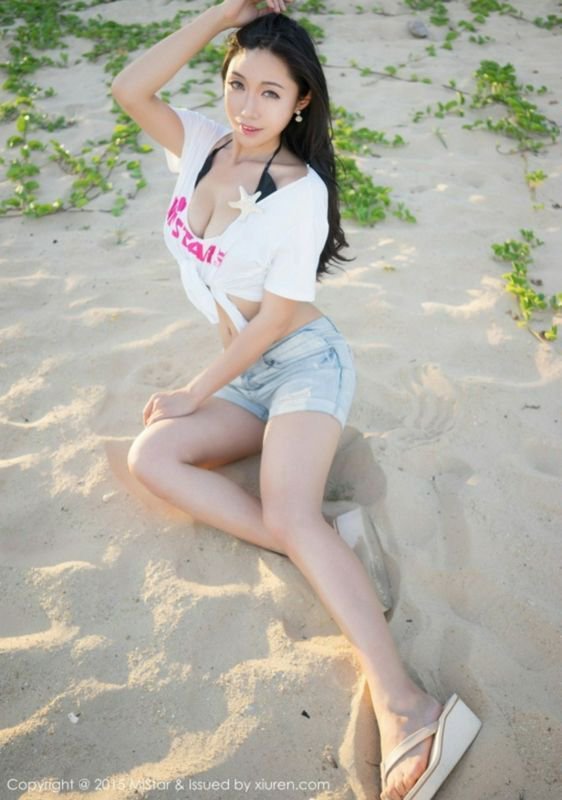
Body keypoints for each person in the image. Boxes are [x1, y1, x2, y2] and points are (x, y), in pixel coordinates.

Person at [111, 1, 481, 798]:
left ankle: (409, 705)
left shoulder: (297, 191)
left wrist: (194, 390)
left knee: (287, 510)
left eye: (270, 93)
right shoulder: (203, 144)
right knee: (154, 459)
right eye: (237, 84)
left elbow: (279, 320)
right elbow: (129, 89)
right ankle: (330, 542)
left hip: (306, 368)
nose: (247, 108)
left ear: (301, 101)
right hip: (246, 376)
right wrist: (222, 16)